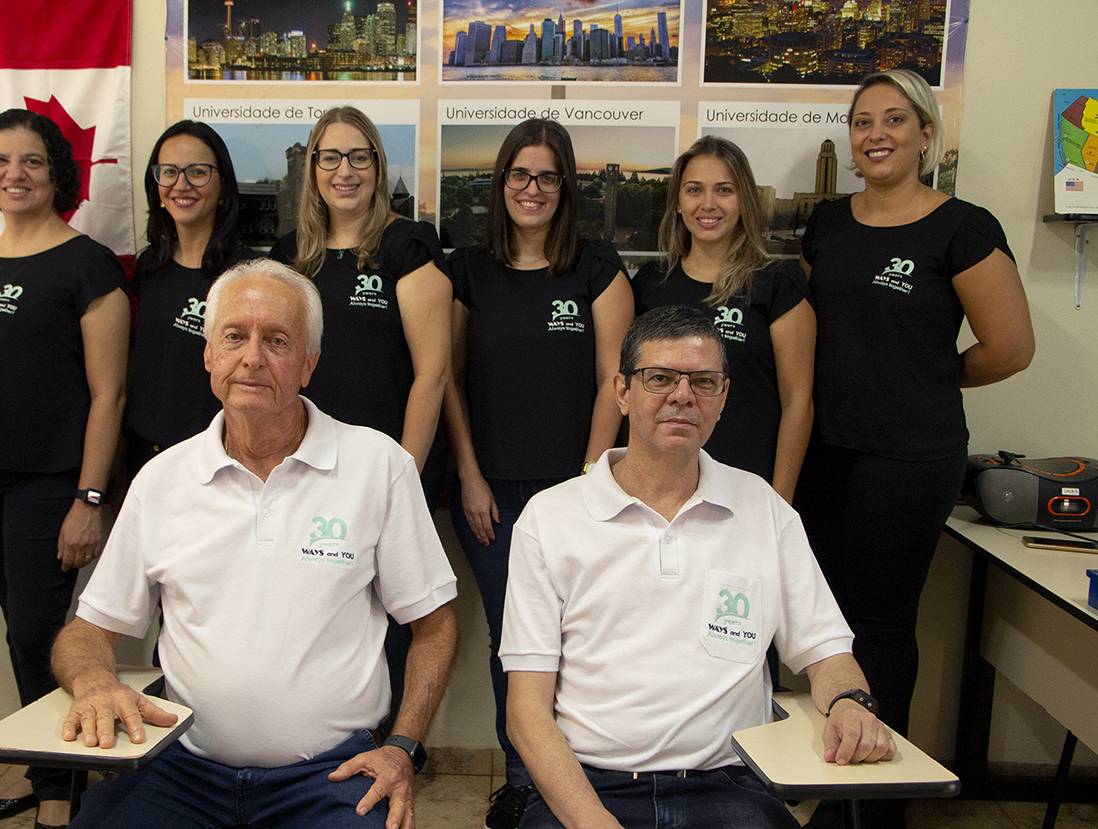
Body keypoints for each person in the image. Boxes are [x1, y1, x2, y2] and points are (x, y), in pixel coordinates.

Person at [51, 259, 458, 829]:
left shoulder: (378, 466)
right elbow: (86, 632)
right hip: (181, 770)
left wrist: (404, 748)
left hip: (331, 775)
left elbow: (435, 627)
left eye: (277, 340)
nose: (252, 358)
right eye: (235, 336)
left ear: (309, 364)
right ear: (209, 355)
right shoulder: (163, 479)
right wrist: (94, 679)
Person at [501, 306, 896, 829]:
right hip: (588, 783)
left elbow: (827, 653)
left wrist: (850, 703)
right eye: (660, 378)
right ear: (622, 391)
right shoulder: (550, 518)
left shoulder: (763, 509)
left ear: (723, 398)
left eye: (704, 382)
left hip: (729, 786)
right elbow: (526, 713)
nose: (682, 396)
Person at [796, 69, 1034, 828]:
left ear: (926, 133)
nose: (876, 134)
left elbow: (1010, 347)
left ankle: (875, 800)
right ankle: (830, 770)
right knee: (820, 623)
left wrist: (930, 376)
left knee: (882, 622)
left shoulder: (963, 228)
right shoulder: (829, 224)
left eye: (895, 120)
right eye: (863, 121)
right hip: (823, 453)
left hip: (909, 458)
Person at [0, 108, 130, 829]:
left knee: (39, 631)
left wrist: (90, 495)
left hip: (51, 478)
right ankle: (47, 760)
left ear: (57, 176)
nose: (14, 174)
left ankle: (58, 786)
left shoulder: (87, 264)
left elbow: (109, 392)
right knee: (22, 629)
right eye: (0, 162)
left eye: (31, 162)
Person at [443, 118, 634, 829]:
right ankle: (525, 782)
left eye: (547, 176)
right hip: (490, 494)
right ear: (501, 184)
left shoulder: (596, 265)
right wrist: (468, 473)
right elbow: (450, 380)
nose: (532, 188)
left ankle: (587, 783)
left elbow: (616, 380)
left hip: (579, 494)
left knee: (582, 643)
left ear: (565, 187)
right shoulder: (467, 269)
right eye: (520, 175)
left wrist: (591, 481)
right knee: (513, 645)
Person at [269, 106, 452, 728]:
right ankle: (319, 737)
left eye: (359, 157)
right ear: (313, 167)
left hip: (388, 465)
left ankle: (396, 744)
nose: (344, 171)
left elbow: (433, 373)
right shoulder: (289, 257)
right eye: (330, 158)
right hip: (304, 467)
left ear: (377, 165)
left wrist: (403, 472)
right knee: (316, 608)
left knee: (396, 615)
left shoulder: (407, 244)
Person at [633, 136, 814, 503]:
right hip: (661, 490)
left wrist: (779, 504)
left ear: (744, 200)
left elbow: (798, 403)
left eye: (724, 190)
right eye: (694, 190)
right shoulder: (650, 285)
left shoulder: (777, 284)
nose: (708, 204)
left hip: (748, 489)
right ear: (679, 204)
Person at [124, 120, 256, 478]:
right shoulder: (149, 266)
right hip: (140, 459)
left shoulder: (247, 275)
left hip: (213, 465)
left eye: (197, 172)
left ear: (223, 186)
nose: (181, 185)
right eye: (169, 172)